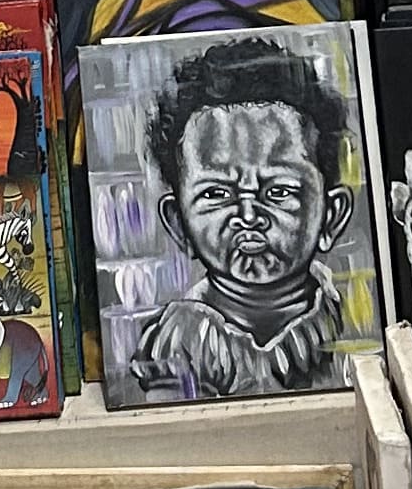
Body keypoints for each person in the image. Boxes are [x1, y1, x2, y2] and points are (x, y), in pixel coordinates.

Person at [131, 35, 357, 401]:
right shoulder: (180, 345)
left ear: (331, 217)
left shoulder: (351, 322)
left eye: (279, 191)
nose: (248, 216)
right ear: (178, 224)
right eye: (216, 194)